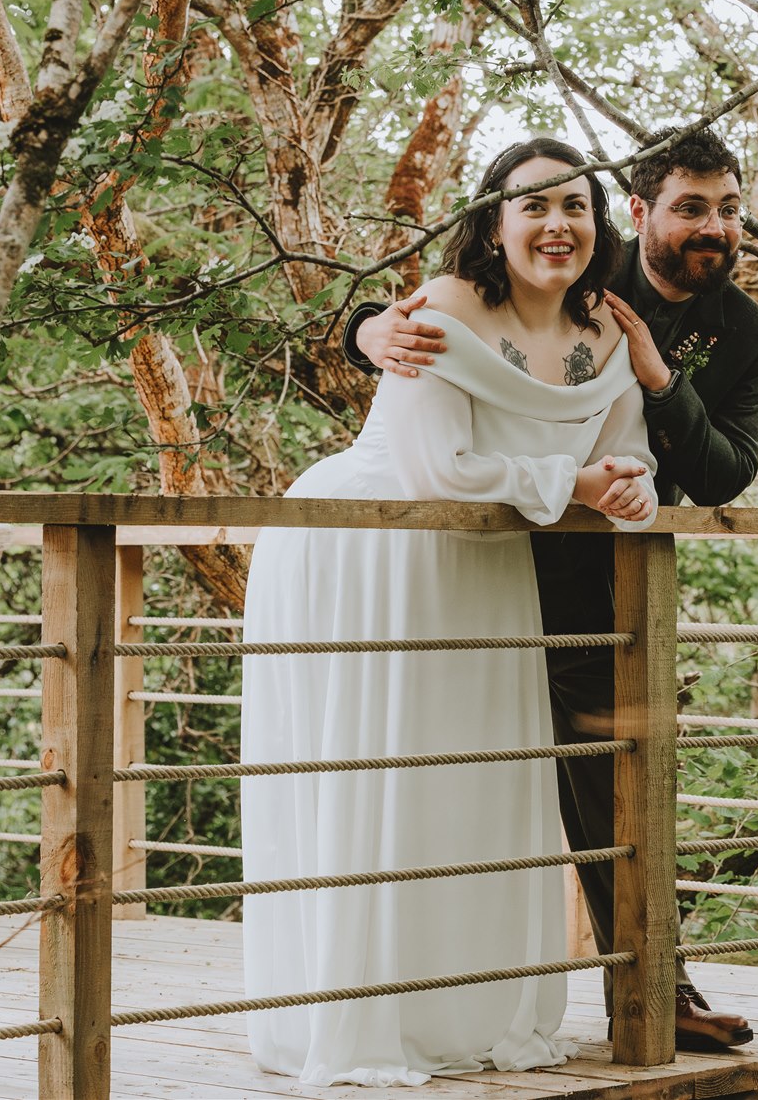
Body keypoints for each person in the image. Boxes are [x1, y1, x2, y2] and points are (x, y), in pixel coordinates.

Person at [340, 124, 758, 1051]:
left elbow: (721, 474)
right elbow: (459, 309)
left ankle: (660, 988)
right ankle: (416, 987)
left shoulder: (747, 333)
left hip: (596, 579)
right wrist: (364, 327)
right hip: (472, 560)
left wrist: (664, 382)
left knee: (614, 781)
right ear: (641, 212)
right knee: (457, 770)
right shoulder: (578, 257)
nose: (714, 227)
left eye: (729, 210)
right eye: (692, 207)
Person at [241, 138, 659, 1086]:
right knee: (381, 771)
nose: (558, 225)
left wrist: (623, 485)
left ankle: (466, 1006)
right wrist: (579, 481)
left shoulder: (605, 329)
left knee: (475, 781)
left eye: (576, 207)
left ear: (598, 224)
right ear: (493, 221)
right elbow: (439, 470)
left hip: (491, 560)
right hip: (378, 544)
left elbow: (624, 444)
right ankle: (360, 1014)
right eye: (534, 206)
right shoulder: (437, 309)